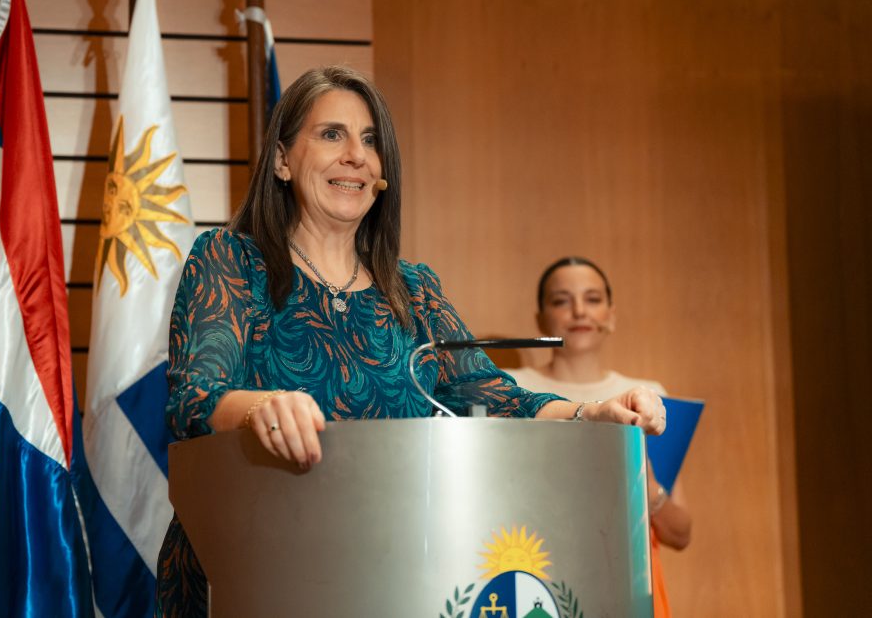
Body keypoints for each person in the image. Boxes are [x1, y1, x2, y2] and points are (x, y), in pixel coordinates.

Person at [154, 67, 667, 616]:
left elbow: (496, 397)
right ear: (282, 160)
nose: (356, 156)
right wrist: (260, 408)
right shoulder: (230, 260)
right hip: (251, 573)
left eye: (370, 141)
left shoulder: (415, 289)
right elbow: (194, 398)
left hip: (391, 578)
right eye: (332, 134)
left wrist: (592, 414)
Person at [506, 256, 692, 618]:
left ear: (611, 315)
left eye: (592, 299)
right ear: (540, 319)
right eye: (561, 300)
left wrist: (648, 487)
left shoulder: (648, 397)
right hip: (535, 573)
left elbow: (680, 534)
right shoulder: (513, 388)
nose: (579, 311)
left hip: (624, 584)